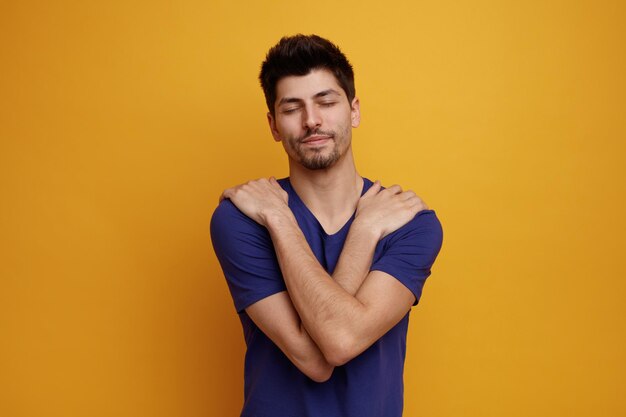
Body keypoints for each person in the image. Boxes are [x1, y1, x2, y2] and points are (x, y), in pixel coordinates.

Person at [210, 34, 443, 417]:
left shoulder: (410, 222)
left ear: (354, 110)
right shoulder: (241, 219)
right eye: (292, 108)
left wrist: (364, 228)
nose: (311, 120)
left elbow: (339, 340)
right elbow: (317, 361)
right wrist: (283, 219)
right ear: (273, 124)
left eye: (326, 101)